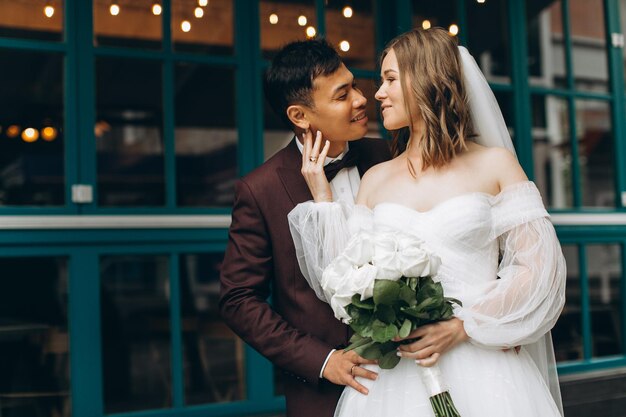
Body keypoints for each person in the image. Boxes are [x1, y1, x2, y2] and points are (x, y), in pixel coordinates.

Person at [288, 28, 566, 416]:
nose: (377, 94)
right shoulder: (377, 178)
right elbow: (343, 278)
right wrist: (322, 197)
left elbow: (539, 271)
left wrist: (465, 326)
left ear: (427, 80)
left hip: (486, 369)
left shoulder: (496, 165)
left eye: (389, 80)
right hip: (396, 380)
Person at [218, 38, 391, 417]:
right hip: (325, 395)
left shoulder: (390, 157)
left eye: (355, 86)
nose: (362, 100)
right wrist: (322, 360)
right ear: (300, 116)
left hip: (410, 376)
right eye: (342, 95)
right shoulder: (260, 190)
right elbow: (238, 299)